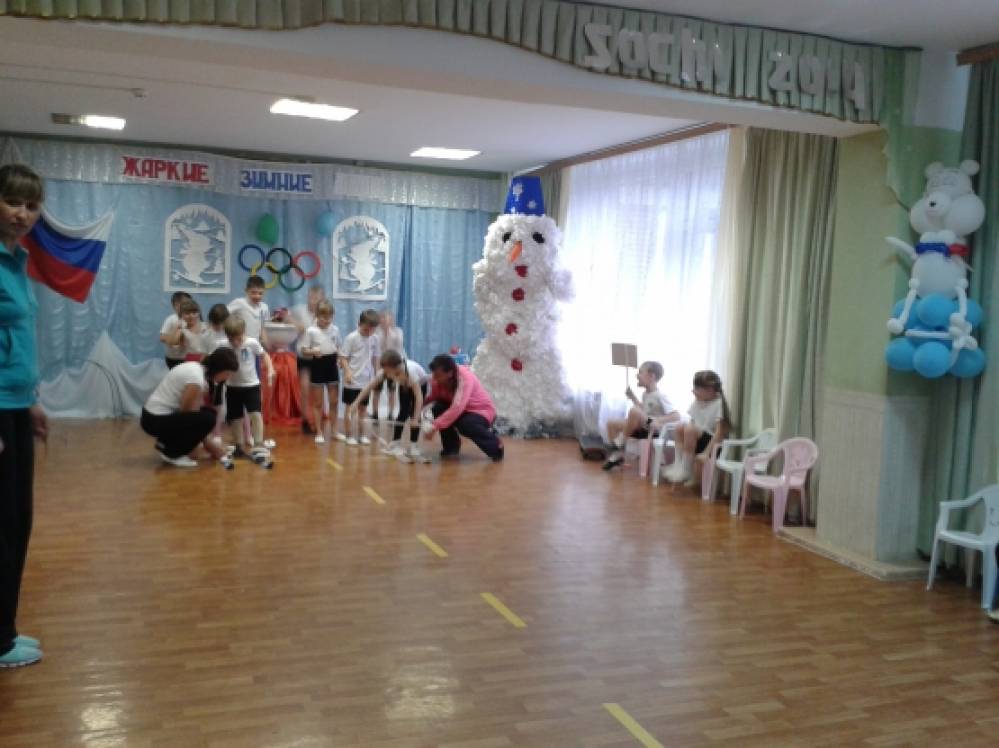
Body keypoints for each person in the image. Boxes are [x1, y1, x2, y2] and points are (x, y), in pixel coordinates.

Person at [0, 164, 47, 668]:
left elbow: (14, 337)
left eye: (32, 205)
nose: (23, 214)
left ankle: (4, 631)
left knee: (16, 523)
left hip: (14, 405)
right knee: (4, 525)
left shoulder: (16, 260)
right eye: (13, 201)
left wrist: (30, 397)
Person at [140, 347, 239, 468]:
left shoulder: (196, 370)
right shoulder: (196, 378)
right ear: (219, 369)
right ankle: (171, 453)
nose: (227, 378)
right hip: (153, 420)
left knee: (207, 414)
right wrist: (212, 447)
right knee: (208, 418)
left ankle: (165, 443)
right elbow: (187, 414)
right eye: (227, 373)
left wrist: (210, 445)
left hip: (156, 417)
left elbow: (194, 412)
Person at [349, 350, 427, 461]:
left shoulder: (411, 373)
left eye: (386, 368)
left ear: (395, 367)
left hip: (420, 385)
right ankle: (395, 444)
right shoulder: (386, 372)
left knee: (415, 415)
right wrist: (355, 403)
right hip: (404, 384)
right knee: (402, 412)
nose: (384, 371)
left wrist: (415, 418)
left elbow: (419, 397)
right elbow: (368, 387)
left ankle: (413, 446)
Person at [423, 354, 504, 461]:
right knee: (438, 407)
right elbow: (434, 396)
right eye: (433, 374)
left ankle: (496, 447)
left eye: (437, 375)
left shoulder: (465, 378)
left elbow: (457, 406)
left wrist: (434, 426)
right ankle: (451, 447)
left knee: (466, 425)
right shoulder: (436, 380)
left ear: (450, 373)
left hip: (481, 411)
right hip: (462, 411)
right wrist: (418, 406)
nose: (434, 378)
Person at [603, 361, 679, 470]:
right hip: (643, 425)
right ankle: (617, 456)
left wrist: (657, 420)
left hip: (653, 429)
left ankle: (621, 440)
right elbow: (643, 410)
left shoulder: (661, 396)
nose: (637, 375)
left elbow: (676, 415)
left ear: (651, 376)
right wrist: (633, 397)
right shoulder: (645, 394)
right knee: (611, 423)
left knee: (634, 411)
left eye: (640, 372)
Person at [663, 370, 732, 485]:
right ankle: (679, 464)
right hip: (696, 440)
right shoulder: (698, 401)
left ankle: (685, 469)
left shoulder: (718, 404)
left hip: (711, 445)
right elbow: (692, 422)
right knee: (680, 426)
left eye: (697, 389)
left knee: (690, 429)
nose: (693, 391)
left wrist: (706, 453)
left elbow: (719, 434)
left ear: (710, 390)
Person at [221, 316, 275, 460]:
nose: (235, 342)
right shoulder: (223, 345)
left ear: (243, 332)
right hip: (232, 387)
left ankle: (258, 443)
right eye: (231, 339)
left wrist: (270, 369)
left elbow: (264, 355)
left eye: (238, 338)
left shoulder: (252, 343)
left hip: (251, 385)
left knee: (255, 414)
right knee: (235, 418)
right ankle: (238, 445)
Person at [299, 300, 344, 445]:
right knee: (318, 402)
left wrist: (340, 360)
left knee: (334, 401)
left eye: (330, 317)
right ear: (317, 316)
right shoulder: (311, 331)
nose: (327, 320)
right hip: (318, 364)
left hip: (331, 365)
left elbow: (339, 347)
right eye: (324, 317)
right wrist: (313, 351)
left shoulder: (335, 329)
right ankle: (319, 432)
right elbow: (303, 350)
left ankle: (335, 430)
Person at [339, 309, 380, 446]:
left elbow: (376, 358)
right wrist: (347, 372)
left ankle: (362, 435)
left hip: (366, 381)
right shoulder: (351, 338)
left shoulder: (375, 339)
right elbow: (343, 357)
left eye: (372, 330)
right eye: (366, 329)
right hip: (352, 380)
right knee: (350, 409)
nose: (369, 332)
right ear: (359, 324)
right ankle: (349, 435)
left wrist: (377, 375)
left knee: (363, 409)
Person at [291, 285, 326, 434]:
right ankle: (305, 419)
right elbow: (283, 315)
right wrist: (295, 323)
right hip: (304, 356)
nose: (312, 300)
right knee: (305, 388)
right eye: (310, 297)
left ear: (322, 299)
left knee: (318, 390)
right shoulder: (300, 310)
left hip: (319, 356)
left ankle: (317, 420)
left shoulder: (324, 313)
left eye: (316, 298)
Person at [372, 310, 405, 424]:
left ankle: (391, 413)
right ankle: (375, 413)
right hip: (380, 365)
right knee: (376, 390)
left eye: (387, 318)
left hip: (393, 365)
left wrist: (388, 332)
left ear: (391, 319)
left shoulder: (398, 331)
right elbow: (376, 351)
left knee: (392, 390)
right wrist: (376, 369)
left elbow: (398, 348)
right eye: (383, 318)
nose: (385, 321)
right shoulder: (376, 333)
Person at [227, 274, 269, 349]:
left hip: (255, 345)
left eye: (260, 293)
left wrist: (266, 343)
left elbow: (262, 327)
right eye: (253, 292)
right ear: (246, 290)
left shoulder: (264, 307)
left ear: (264, 292)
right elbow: (223, 315)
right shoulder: (239, 303)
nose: (257, 296)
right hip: (239, 344)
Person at [160, 291, 192, 369]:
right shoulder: (171, 319)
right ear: (175, 306)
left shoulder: (191, 319)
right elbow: (162, 337)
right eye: (185, 304)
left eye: (190, 304)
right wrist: (174, 339)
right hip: (172, 358)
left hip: (187, 357)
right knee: (176, 373)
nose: (188, 307)